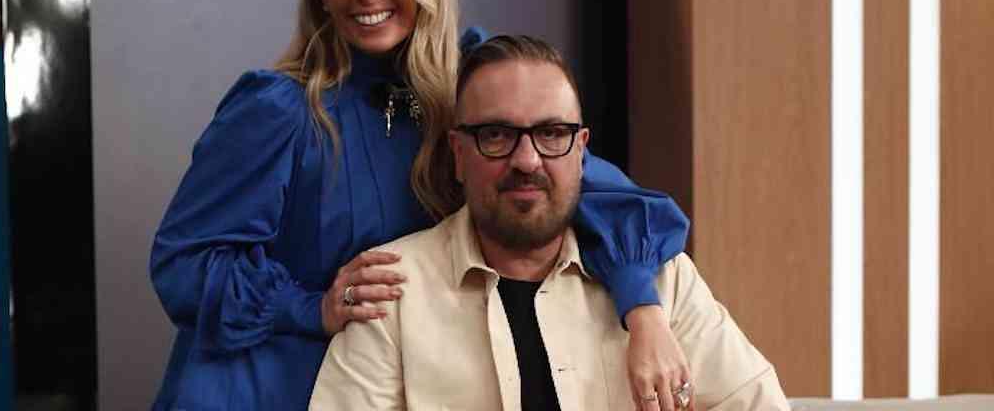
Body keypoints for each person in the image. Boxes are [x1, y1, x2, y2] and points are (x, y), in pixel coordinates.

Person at [150, 0, 690, 411]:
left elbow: (587, 189)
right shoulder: (278, 109)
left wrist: (643, 312)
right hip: (262, 389)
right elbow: (184, 263)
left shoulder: (469, 94)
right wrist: (310, 307)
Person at [310, 35, 790, 411]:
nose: (527, 160)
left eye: (552, 133)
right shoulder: (390, 288)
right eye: (496, 135)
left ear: (581, 150)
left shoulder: (665, 281)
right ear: (458, 153)